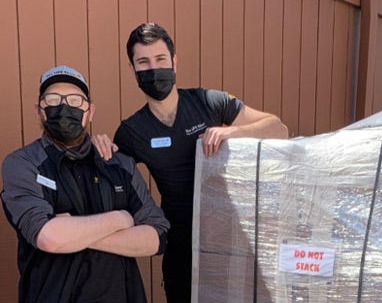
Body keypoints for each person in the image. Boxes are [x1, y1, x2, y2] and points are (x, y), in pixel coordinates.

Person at [92, 22, 288, 302]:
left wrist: (233, 130)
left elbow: (278, 129)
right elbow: (113, 177)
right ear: (132, 69)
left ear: (174, 62)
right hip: (180, 245)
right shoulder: (132, 131)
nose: (153, 68)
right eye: (143, 62)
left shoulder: (209, 102)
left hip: (228, 238)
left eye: (160, 59)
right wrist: (99, 145)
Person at [1, 65, 170, 303]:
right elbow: (48, 237)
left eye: (74, 100)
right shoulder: (22, 164)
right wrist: (120, 219)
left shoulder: (118, 164)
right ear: (39, 110)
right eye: (53, 99)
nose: (64, 107)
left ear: (90, 111)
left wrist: (73, 234)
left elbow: (157, 237)